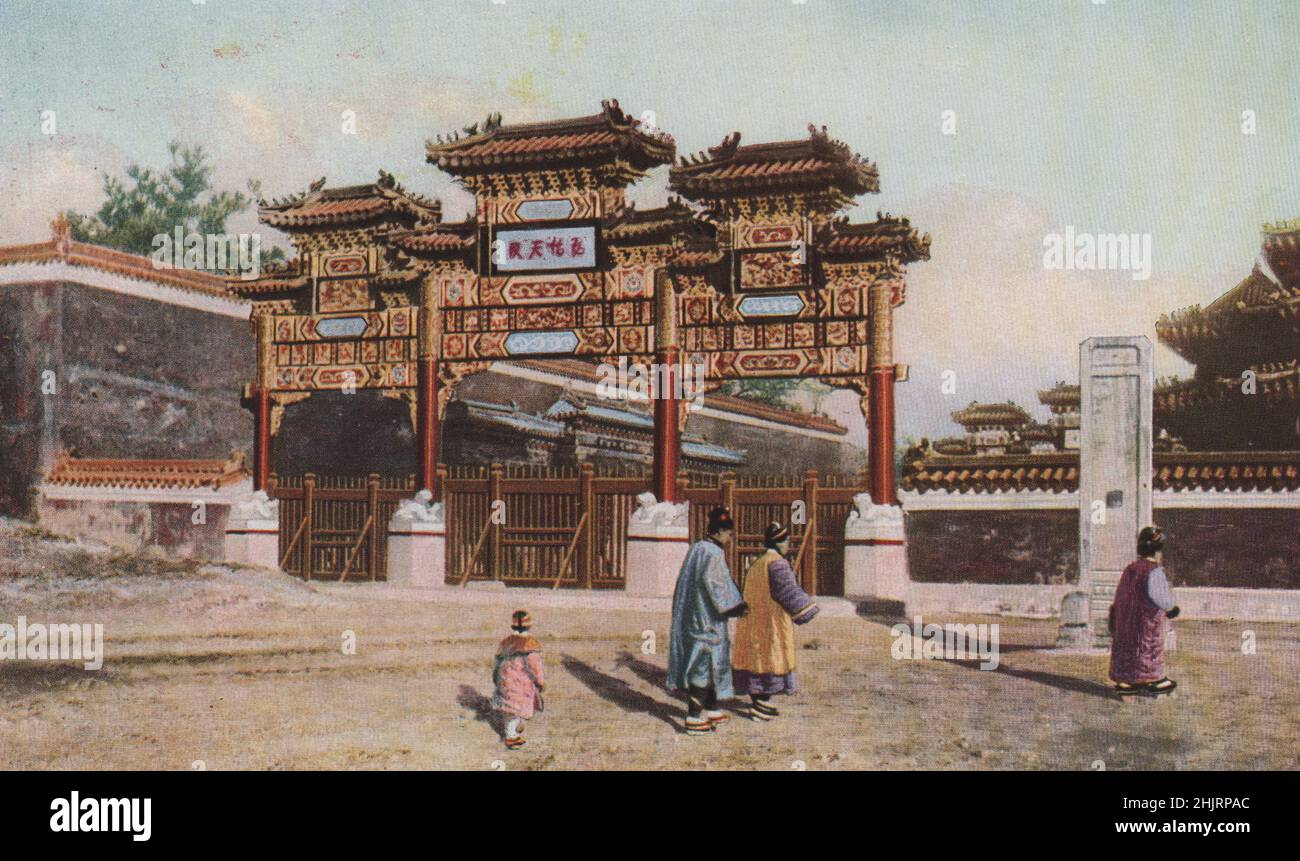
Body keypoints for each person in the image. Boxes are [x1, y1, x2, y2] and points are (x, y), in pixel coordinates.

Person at [667, 506, 748, 735]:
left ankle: (712, 708)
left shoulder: (696, 548)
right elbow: (715, 583)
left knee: (712, 665)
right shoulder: (712, 552)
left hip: (695, 614)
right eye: (729, 534)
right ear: (721, 531)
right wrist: (735, 606)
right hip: (706, 619)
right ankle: (693, 716)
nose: (730, 539)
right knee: (703, 665)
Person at [733, 522, 819, 721]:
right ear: (779, 542)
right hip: (769, 622)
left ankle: (758, 703)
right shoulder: (777, 563)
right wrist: (809, 609)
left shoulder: (757, 562)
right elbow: (787, 591)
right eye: (786, 540)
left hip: (752, 620)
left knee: (754, 660)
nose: (788, 544)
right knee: (769, 661)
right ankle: (760, 706)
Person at [1108, 526, 1181, 697]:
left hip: (1126, 619)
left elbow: (1121, 594)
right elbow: (1160, 597)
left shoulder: (1130, 569)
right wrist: (1171, 609)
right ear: (1158, 551)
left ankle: (1125, 681)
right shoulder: (1154, 571)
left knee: (1127, 647)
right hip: (1145, 621)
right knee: (1148, 648)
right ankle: (1152, 680)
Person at [492, 609, 545, 749]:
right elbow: (535, 666)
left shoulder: (506, 643)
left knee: (509, 709)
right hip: (522, 684)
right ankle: (511, 737)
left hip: (504, 680)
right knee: (516, 710)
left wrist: (495, 677)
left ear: (512, 626)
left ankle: (513, 730)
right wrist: (540, 681)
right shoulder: (530, 645)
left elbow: (497, 662)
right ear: (529, 626)